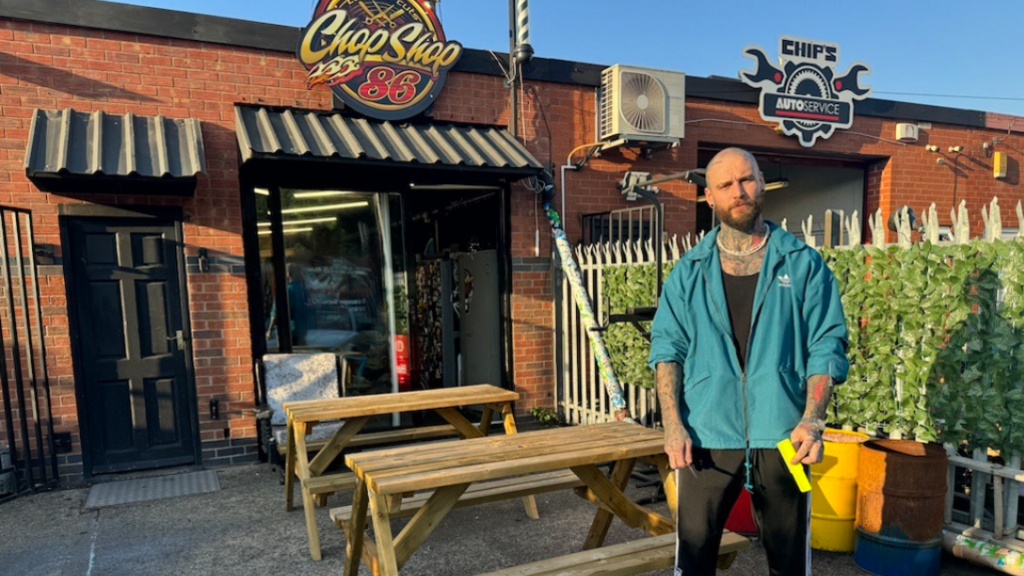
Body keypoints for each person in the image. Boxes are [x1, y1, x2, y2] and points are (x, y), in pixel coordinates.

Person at [648, 147, 849, 575]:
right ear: (709, 197)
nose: (738, 192)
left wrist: (812, 419)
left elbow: (826, 344)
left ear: (761, 183)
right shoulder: (689, 271)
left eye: (747, 180)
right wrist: (673, 424)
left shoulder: (804, 264)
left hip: (783, 436)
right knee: (695, 558)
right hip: (704, 434)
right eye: (726, 185)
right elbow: (667, 349)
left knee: (789, 562)